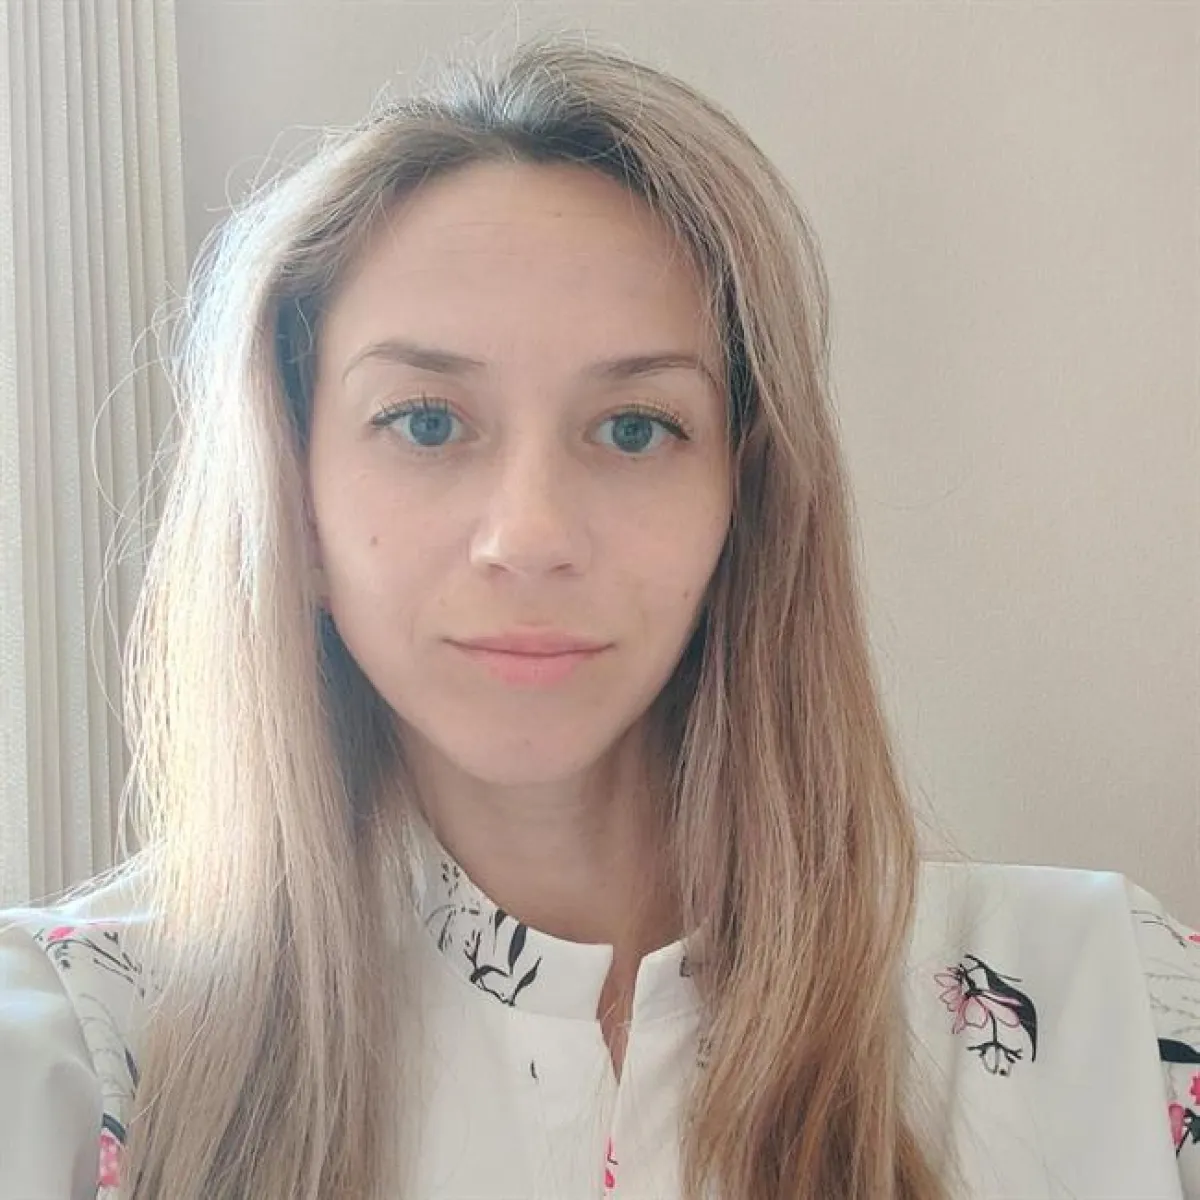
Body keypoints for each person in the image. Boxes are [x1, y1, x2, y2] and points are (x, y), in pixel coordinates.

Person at [0, 33, 1196, 1200]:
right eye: (426, 421)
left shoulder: (1112, 1013)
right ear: (296, 506)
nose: (530, 535)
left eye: (634, 428)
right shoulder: (74, 1049)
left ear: (745, 504)